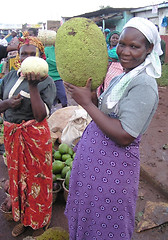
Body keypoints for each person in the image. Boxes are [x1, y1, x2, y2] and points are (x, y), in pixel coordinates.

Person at [64, 17, 162, 240]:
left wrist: (87, 105)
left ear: (149, 49)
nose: (125, 52)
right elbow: (109, 114)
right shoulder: (124, 76)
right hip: (95, 165)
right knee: (89, 216)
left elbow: (125, 135)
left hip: (113, 168)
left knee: (106, 222)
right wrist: (93, 99)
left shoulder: (144, 84)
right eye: (122, 44)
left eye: (134, 46)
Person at [0, 35, 56, 237]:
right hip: (13, 136)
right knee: (17, 178)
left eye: (32, 54)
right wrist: (7, 104)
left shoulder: (46, 82)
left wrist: (33, 86)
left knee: (37, 179)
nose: (27, 57)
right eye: (24, 53)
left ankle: (39, 221)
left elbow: (41, 115)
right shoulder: (9, 77)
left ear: (40, 57)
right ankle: (23, 218)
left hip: (35, 138)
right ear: (19, 57)